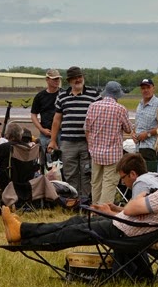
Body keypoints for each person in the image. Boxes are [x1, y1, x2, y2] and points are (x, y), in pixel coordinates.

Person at [2, 153, 158, 249]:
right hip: (135, 228)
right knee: (76, 223)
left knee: (75, 230)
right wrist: (115, 210)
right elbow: (144, 213)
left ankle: (24, 237)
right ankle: (22, 230)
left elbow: (132, 210)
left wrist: (124, 206)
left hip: (129, 232)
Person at [50, 66, 99, 201]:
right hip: (67, 142)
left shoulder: (94, 94)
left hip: (87, 142)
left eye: (79, 77)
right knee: (70, 173)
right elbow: (57, 120)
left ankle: (85, 200)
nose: (78, 80)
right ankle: (73, 200)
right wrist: (53, 140)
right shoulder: (62, 96)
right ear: (69, 81)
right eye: (74, 78)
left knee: (87, 172)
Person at [85, 81, 133, 206]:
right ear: (117, 95)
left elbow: (87, 128)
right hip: (113, 154)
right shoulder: (120, 109)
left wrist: (91, 145)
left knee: (95, 182)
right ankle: (104, 210)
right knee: (109, 182)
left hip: (95, 152)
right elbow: (128, 129)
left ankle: (95, 208)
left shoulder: (93, 106)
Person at [131, 78, 158, 168]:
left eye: (148, 87)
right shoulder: (140, 104)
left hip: (150, 147)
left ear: (153, 88)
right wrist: (133, 133)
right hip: (138, 147)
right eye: (143, 88)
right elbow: (137, 123)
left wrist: (148, 134)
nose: (146, 90)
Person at [31, 70, 62, 153]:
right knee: (46, 157)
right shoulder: (40, 96)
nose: (57, 81)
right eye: (54, 79)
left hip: (62, 132)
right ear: (47, 79)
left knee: (63, 157)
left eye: (58, 79)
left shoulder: (64, 94)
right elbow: (33, 115)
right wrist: (42, 129)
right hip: (46, 133)